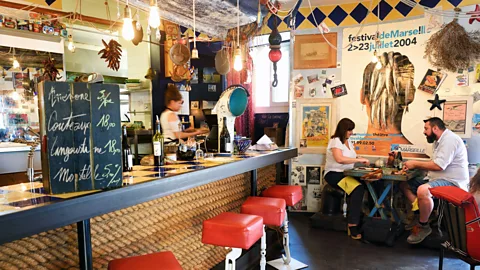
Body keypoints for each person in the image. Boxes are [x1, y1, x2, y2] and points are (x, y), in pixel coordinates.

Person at [400, 117, 469, 244]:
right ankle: (423, 211)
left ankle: (423, 225)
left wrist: (415, 164)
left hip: (452, 182)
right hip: (438, 178)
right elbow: (435, 163)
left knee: (423, 190)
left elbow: (439, 165)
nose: (424, 132)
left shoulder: (450, 140)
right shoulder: (439, 141)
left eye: (426, 128)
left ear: (435, 128)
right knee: (405, 184)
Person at [324, 118, 370, 239]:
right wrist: (359, 160)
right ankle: (352, 225)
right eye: (349, 130)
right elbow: (339, 159)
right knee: (357, 189)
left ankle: (367, 218)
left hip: (346, 173)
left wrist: (360, 158)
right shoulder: (335, 141)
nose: (351, 132)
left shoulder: (348, 142)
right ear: (343, 129)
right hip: (334, 174)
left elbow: (350, 157)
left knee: (369, 183)